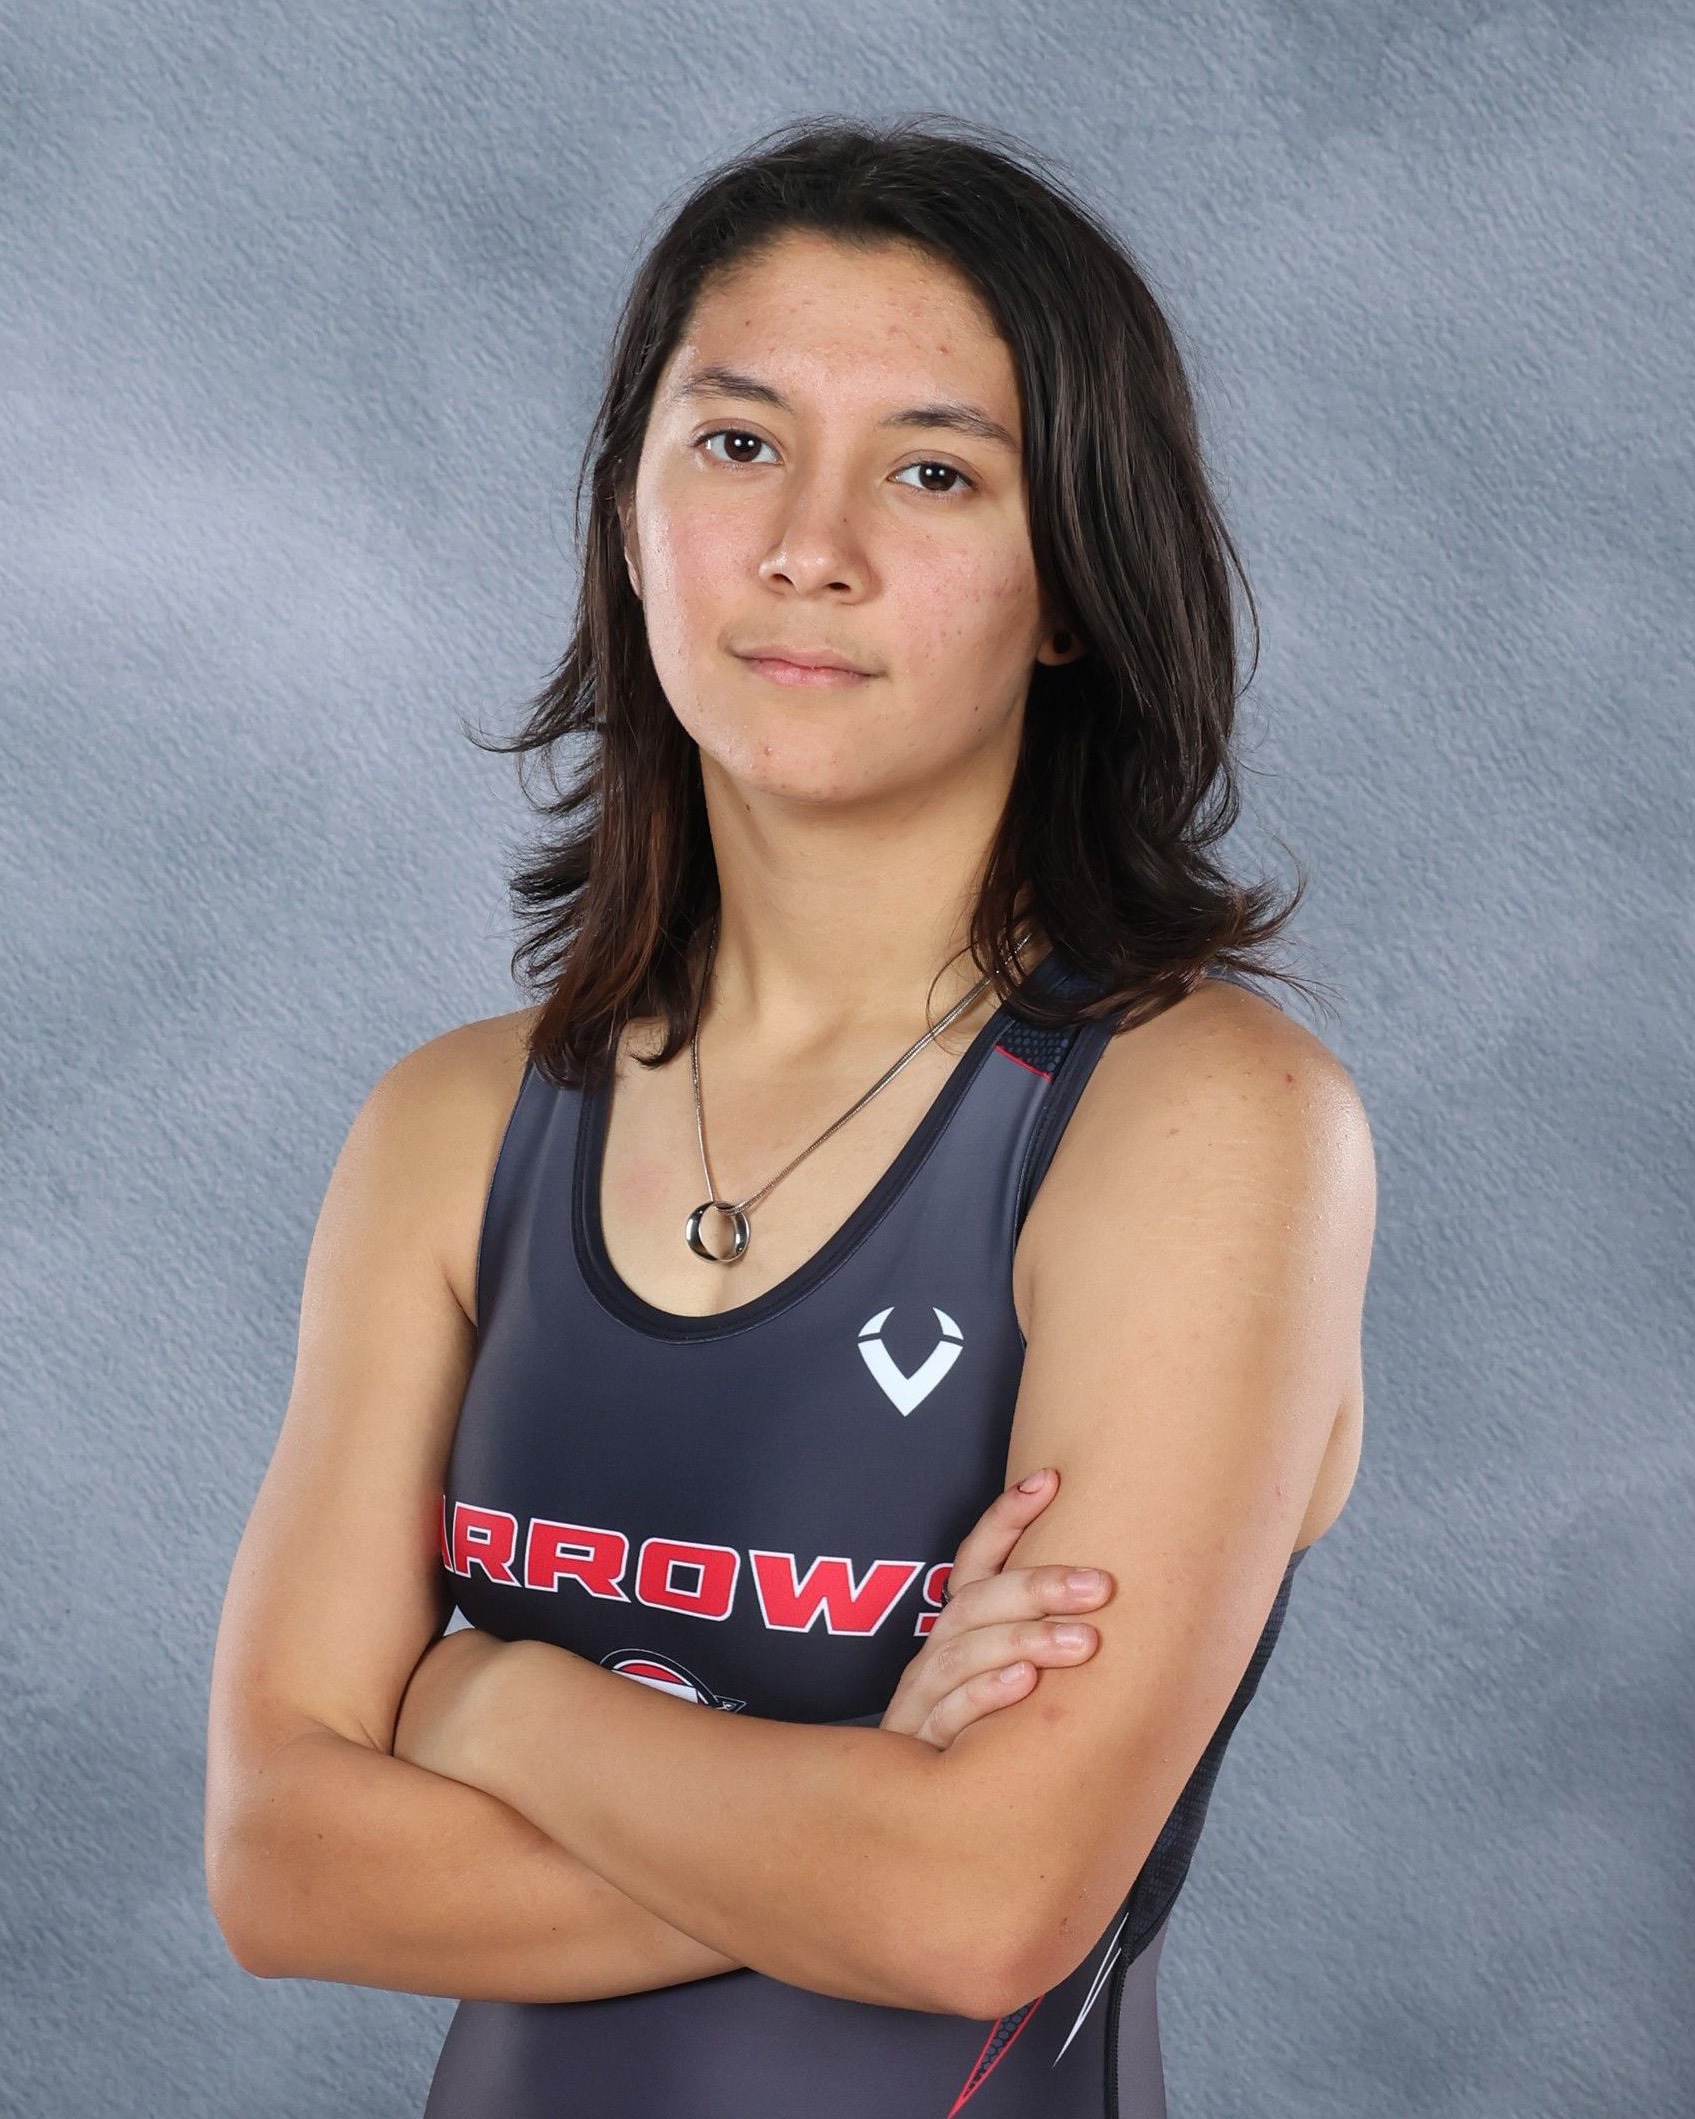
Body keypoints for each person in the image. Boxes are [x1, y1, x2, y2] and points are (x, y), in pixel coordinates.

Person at [204, 119, 1376, 2118]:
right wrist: (853, 1805)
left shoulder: (1201, 1120)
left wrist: (493, 1700)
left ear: (1072, 583)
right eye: (737, 442)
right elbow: (282, 1865)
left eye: (933, 472)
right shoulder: (454, 1126)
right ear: (630, 512)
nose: (807, 546)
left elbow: (979, 1910)